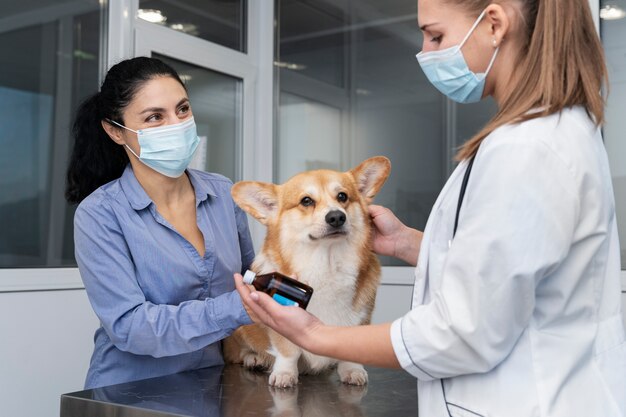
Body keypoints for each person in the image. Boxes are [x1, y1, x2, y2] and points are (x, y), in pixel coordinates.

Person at [235, 0, 626, 416]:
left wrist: (315, 335)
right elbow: (505, 271)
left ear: (494, 24)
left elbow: (461, 331)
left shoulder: (526, 149)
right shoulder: (551, 132)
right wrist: (408, 244)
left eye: (435, 35)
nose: (425, 50)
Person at [66, 57, 255, 389]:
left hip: (212, 384)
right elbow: (131, 326)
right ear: (115, 131)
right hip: (130, 392)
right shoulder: (100, 214)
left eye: (182, 110)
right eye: (155, 117)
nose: (176, 125)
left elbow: (251, 275)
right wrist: (240, 307)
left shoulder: (224, 193)